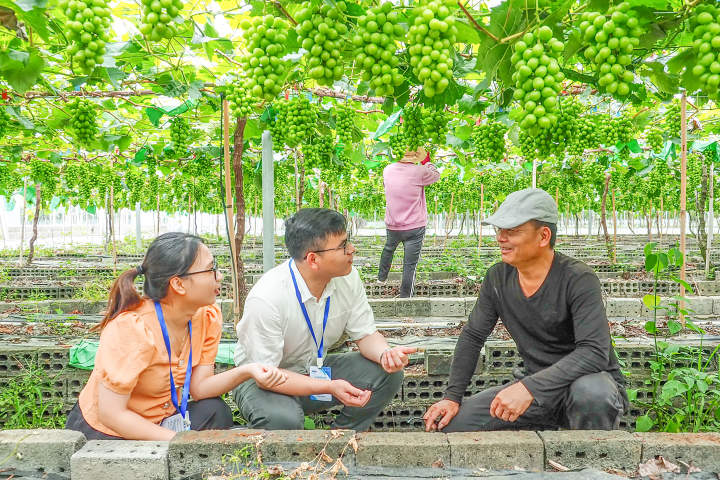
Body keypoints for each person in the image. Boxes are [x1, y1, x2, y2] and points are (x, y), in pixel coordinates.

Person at [423, 188, 628, 432]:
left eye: (513, 231)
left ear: (543, 236)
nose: (501, 238)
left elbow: (594, 352)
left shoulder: (578, 278)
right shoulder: (498, 278)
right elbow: (473, 336)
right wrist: (452, 396)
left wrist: (529, 389)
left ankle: (589, 463)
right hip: (535, 387)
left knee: (592, 395)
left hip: (584, 385)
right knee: (451, 426)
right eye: (499, 230)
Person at [66, 232, 287, 440]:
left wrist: (248, 370)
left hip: (162, 420)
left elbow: (200, 388)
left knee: (216, 411)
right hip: (111, 431)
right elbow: (112, 415)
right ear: (178, 284)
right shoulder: (131, 329)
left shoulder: (205, 316)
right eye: (211, 269)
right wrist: (180, 441)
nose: (219, 276)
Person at [233, 208, 416, 430]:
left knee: (388, 374)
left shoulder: (348, 279)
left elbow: (366, 334)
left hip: (313, 369)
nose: (352, 250)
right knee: (283, 420)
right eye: (343, 245)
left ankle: (339, 440)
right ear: (313, 259)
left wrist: (386, 354)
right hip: (265, 381)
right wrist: (328, 387)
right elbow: (265, 375)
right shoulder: (268, 298)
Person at [378, 146, 440, 297]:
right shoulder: (420, 171)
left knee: (388, 249)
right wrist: (428, 162)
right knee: (410, 265)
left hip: (393, 225)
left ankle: (381, 278)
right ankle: (406, 296)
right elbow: (436, 175)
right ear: (416, 156)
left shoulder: (387, 170)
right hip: (415, 226)